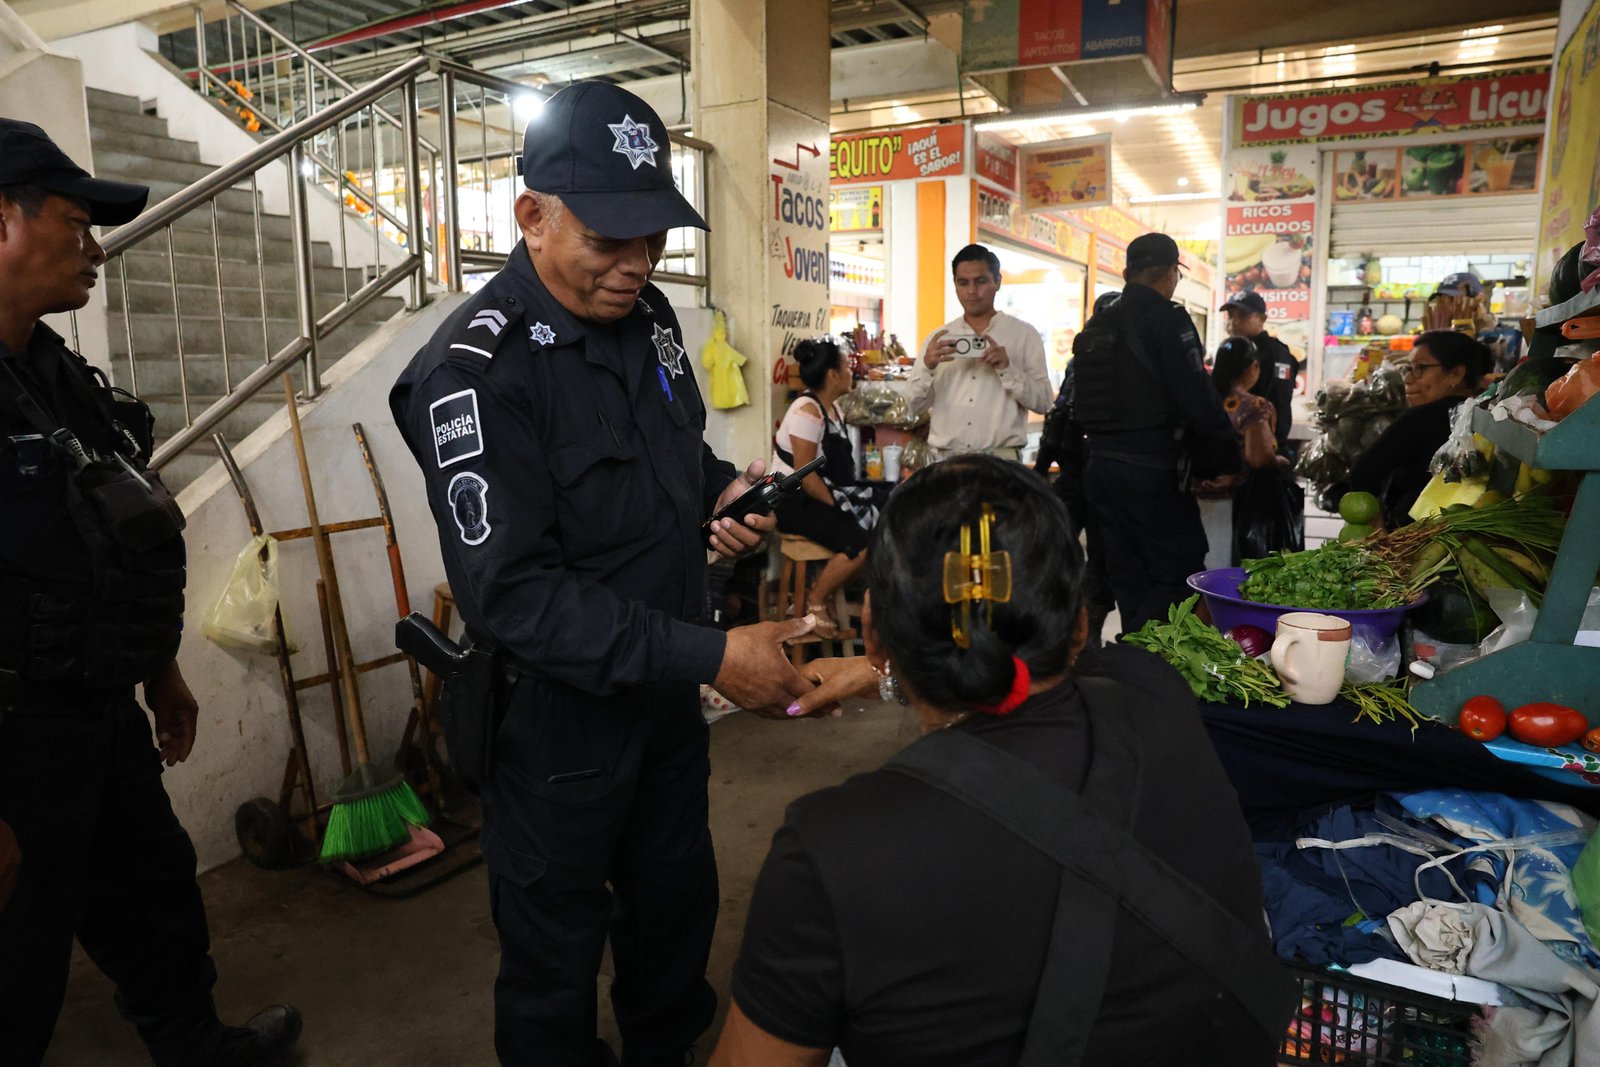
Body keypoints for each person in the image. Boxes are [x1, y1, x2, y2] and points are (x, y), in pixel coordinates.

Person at [389, 82, 815, 1067]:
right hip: (556, 730)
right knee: (552, 965)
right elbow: (517, 594)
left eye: (652, 235)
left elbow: (677, 459)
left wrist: (719, 498)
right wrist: (714, 652)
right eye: (608, 238)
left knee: (673, 918)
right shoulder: (474, 375)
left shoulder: (653, 318)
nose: (635, 265)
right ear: (531, 215)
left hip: (661, 701)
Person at [711, 456, 1293, 1067]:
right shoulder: (1154, 690)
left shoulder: (831, 846)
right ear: (1081, 625)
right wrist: (892, 665)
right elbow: (1037, 662)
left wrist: (883, 667)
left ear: (872, 629)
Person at [0, 119, 301, 1066]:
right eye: (73, 221)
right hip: (12, 741)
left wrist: (159, 671)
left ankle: (197, 1046)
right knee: (16, 968)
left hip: (98, 713)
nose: (95, 246)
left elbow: (104, 539)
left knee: (154, 901)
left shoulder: (57, 376)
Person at [1075, 233, 1238, 633]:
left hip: (1100, 471)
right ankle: (1172, 673)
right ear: (1170, 273)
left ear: (1128, 273)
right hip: (1152, 474)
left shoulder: (1098, 323)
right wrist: (1225, 460)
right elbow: (1197, 398)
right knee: (1176, 577)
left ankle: (1138, 666)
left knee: (1127, 578)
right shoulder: (1168, 320)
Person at [771, 337, 881, 639]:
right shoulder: (807, 410)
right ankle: (815, 599)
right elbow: (806, 476)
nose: (851, 373)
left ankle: (829, 592)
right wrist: (841, 507)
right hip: (794, 500)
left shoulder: (834, 410)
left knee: (881, 517)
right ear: (832, 375)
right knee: (859, 540)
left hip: (819, 493)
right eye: (847, 367)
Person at [907, 244, 1052, 460]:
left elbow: (1044, 402)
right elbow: (911, 405)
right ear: (955, 284)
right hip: (947, 461)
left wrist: (1007, 369)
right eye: (963, 283)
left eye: (980, 281)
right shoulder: (939, 338)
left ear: (997, 282)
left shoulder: (1023, 335)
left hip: (1001, 460)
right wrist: (927, 366)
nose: (972, 291)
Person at [1034, 289, 1119, 646]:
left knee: (1088, 555)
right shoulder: (1094, 361)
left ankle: (1083, 631)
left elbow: (1058, 418)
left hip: (1088, 474)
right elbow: (1060, 416)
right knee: (1078, 553)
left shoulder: (1091, 359)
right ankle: (1078, 630)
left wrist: (1040, 469)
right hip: (1089, 475)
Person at [1348, 330, 1492, 529]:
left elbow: (1363, 472)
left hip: (1412, 538)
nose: (1407, 379)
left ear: (1456, 374)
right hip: (1467, 535)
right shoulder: (1490, 413)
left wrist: (1375, 525)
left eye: (1420, 368)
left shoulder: (1420, 419)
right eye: (1408, 368)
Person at [1198, 337, 1302, 563]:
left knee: (1202, 569)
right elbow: (1258, 459)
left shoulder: (1202, 400)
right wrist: (1281, 461)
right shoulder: (1254, 405)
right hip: (1239, 503)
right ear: (1254, 367)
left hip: (1195, 497)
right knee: (1228, 568)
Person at [1219, 290, 1298, 454]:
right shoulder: (1233, 350)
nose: (1234, 322)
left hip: (1262, 446)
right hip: (1234, 445)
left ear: (1262, 319)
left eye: (1242, 316)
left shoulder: (1276, 354)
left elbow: (1278, 400)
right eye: (1231, 316)